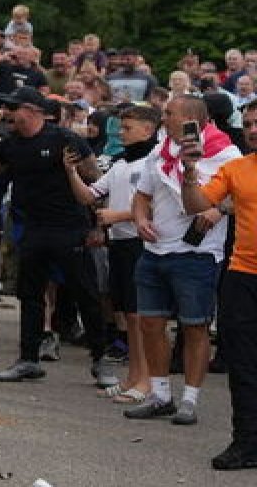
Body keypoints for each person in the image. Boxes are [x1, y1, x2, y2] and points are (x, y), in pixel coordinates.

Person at [0, 86, 113, 384]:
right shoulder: (10, 145)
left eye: (14, 107)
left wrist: (99, 226)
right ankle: (28, 359)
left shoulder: (65, 140)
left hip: (70, 229)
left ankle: (101, 360)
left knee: (84, 293)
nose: (8, 113)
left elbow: (96, 181)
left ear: (34, 111)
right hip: (32, 229)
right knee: (30, 296)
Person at [124, 96, 240, 425]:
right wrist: (140, 218)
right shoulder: (161, 151)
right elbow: (142, 195)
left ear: (190, 118)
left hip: (196, 254)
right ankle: (160, 396)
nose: (163, 118)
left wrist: (219, 209)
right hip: (154, 252)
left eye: (169, 113)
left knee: (194, 327)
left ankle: (189, 400)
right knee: (150, 324)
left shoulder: (226, 154)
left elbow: (240, 194)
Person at [64, 105, 160, 404]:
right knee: (127, 315)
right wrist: (70, 171)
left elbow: (159, 207)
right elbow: (89, 196)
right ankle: (134, 376)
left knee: (141, 316)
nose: (121, 132)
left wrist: (118, 215)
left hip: (140, 243)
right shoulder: (120, 162)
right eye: (120, 127)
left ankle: (148, 381)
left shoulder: (154, 162)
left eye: (128, 127)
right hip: (118, 244)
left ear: (148, 129)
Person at [181, 103, 257, 470]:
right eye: (251, 124)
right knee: (243, 365)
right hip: (242, 276)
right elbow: (196, 204)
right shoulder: (235, 168)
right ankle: (246, 444)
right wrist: (190, 171)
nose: (254, 130)